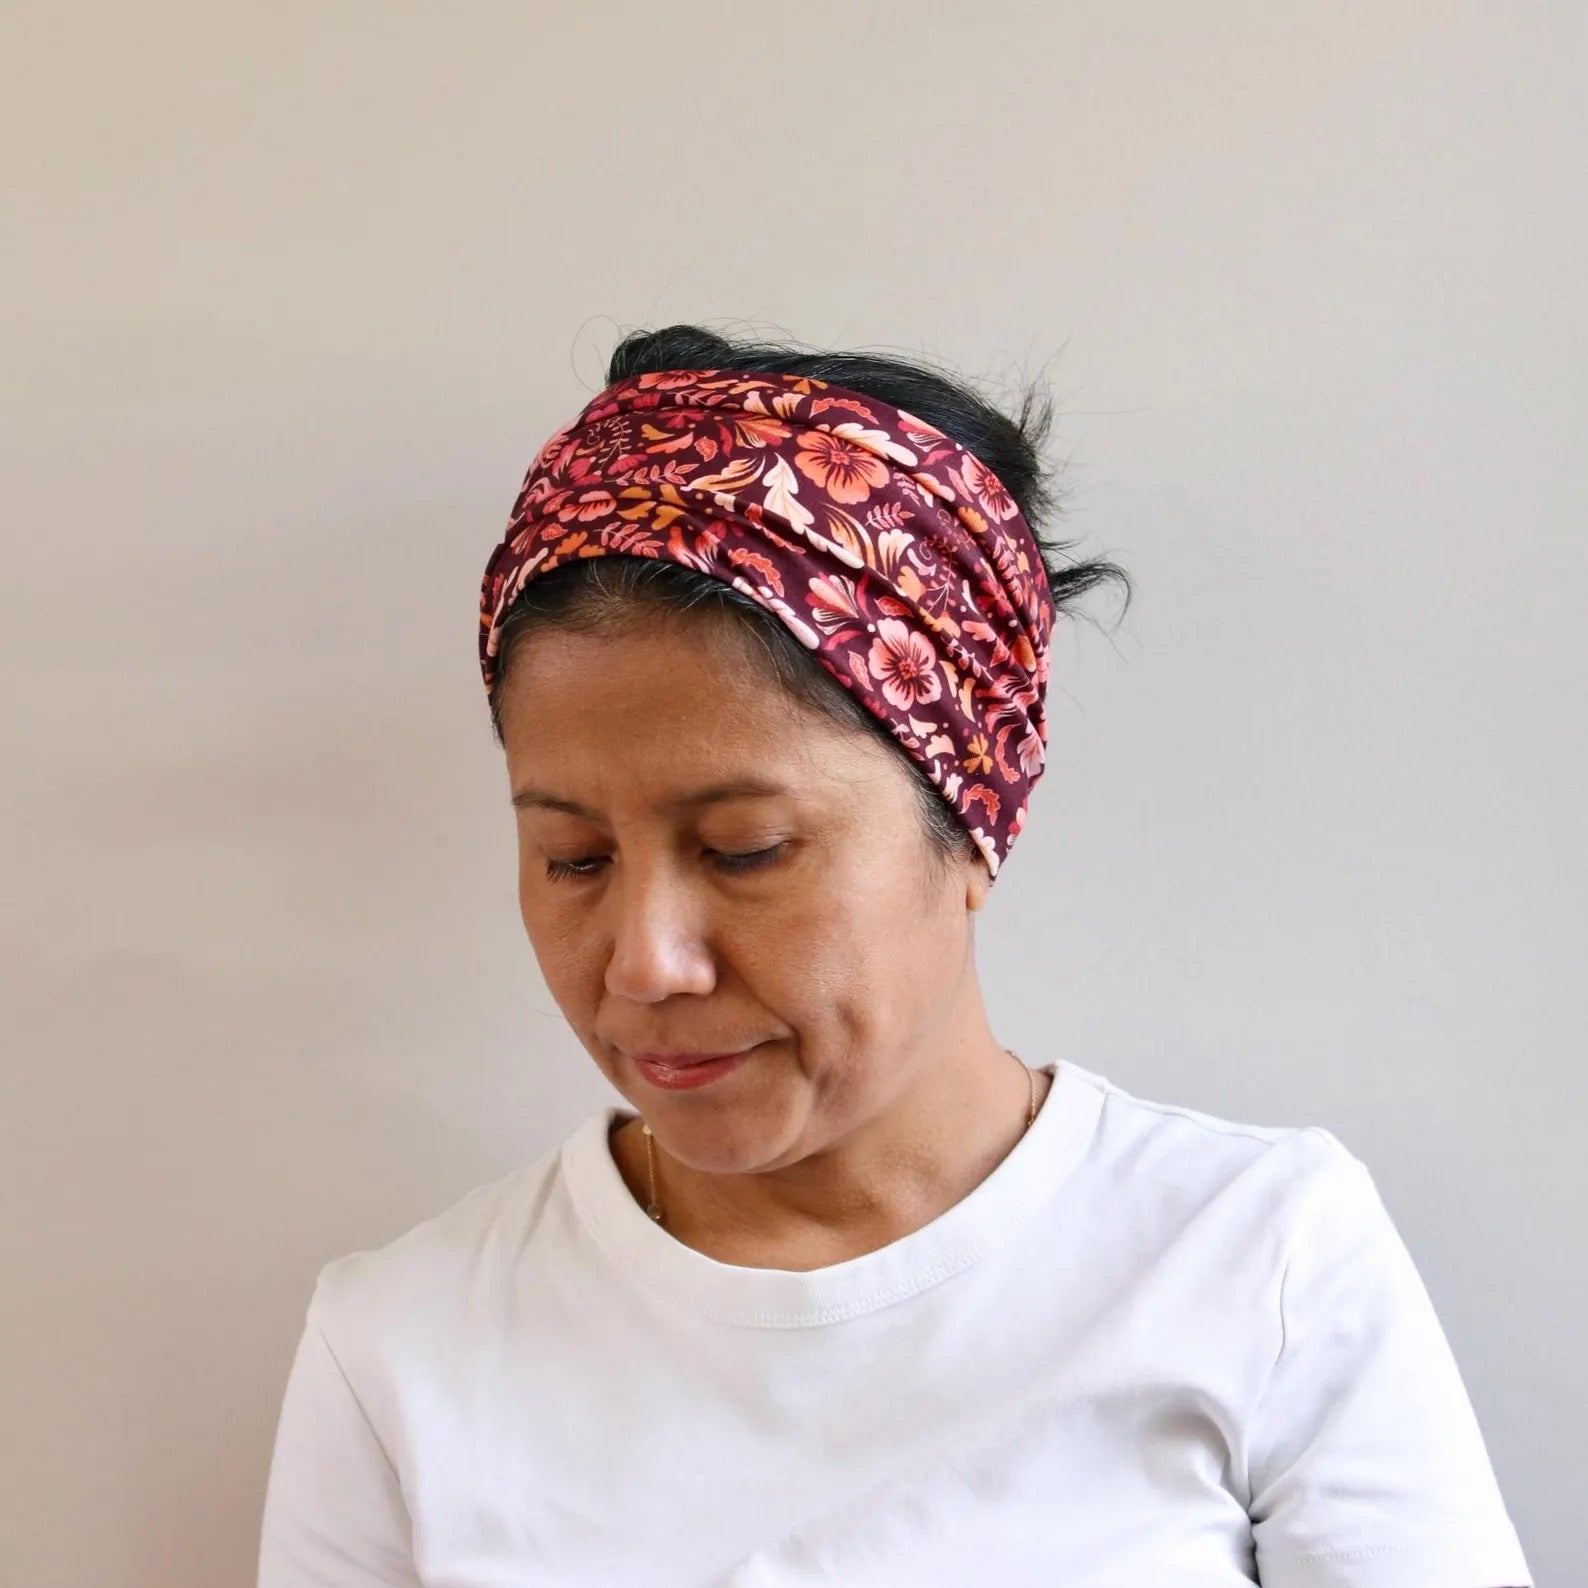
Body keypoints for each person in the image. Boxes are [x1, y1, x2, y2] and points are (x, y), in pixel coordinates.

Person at [257, 325, 1532, 1586]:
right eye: (573, 859)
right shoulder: (401, 1350)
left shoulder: (1256, 1260)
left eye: (747, 848)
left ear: (972, 822)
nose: (644, 965)